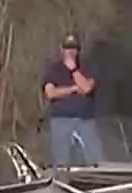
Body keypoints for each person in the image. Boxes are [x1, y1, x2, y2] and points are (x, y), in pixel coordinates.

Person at [42, 33, 104, 167]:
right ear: (62, 50)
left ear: (78, 50)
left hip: (85, 120)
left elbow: (87, 88)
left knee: (94, 161)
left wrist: (74, 70)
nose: (70, 51)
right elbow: (50, 93)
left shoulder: (87, 67)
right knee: (61, 163)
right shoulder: (54, 69)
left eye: (73, 48)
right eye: (67, 48)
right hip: (61, 120)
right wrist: (74, 89)